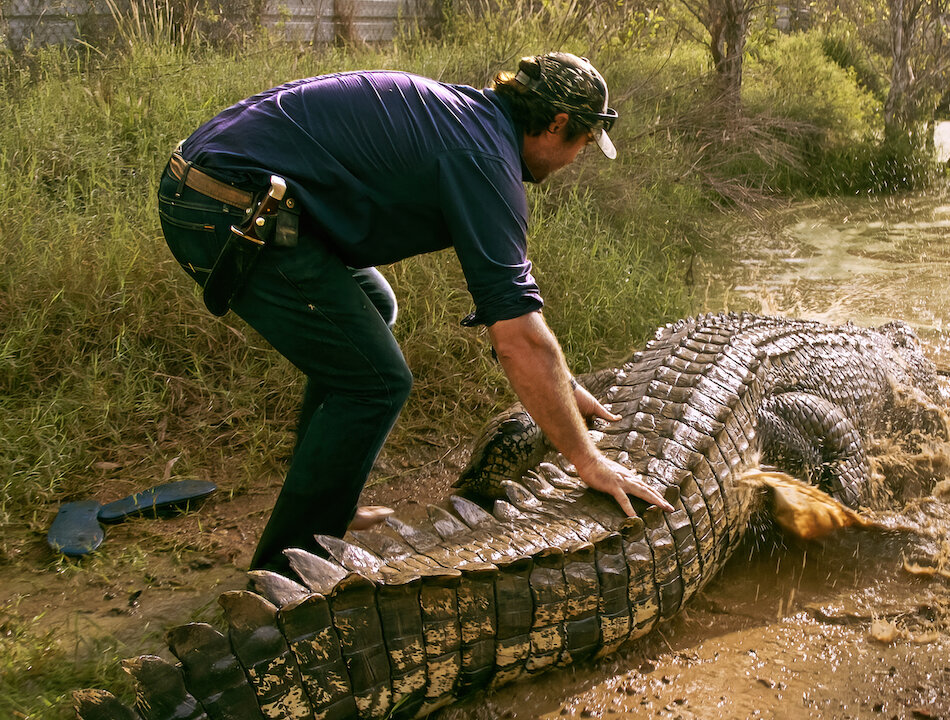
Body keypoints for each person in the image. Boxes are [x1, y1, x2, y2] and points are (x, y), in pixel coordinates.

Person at [157, 52, 673, 576]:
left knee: (374, 307)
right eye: (584, 142)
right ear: (557, 124)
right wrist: (588, 461)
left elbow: (510, 305)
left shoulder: (475, 122)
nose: (579, 156)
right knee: (375, 382)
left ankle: (322, 505)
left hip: (223, 179)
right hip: (224, 203)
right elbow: (518, 338)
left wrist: (560, 382)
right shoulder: (483, 158)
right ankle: (286, 575)